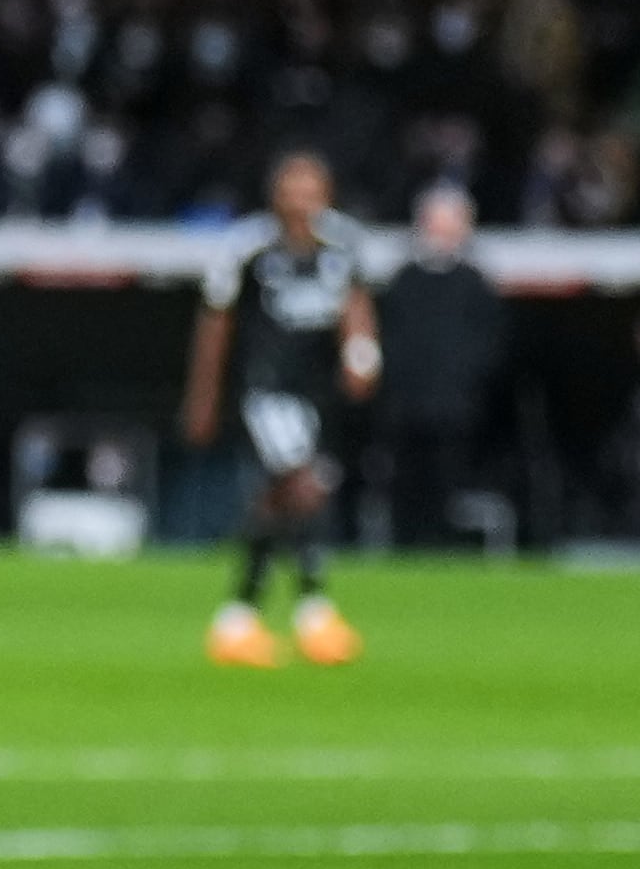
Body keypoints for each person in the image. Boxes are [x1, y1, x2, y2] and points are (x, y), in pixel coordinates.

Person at [183, 148, 377, 665]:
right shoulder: (249, 249)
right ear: (276, 194)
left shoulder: (342, 246)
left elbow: (356, 307)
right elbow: (216, 322)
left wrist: (362, 354)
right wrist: (203, 397)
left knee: (276, 504)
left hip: (318, 397)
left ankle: (238, 619)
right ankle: (315, 612)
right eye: (293, 187)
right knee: (303, 488)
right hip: (267, 392)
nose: (302, 198)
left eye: (311, 188)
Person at [376, 181, 506, 555]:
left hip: (457, 411)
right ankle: (406, 548)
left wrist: (466, 385)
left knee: (449, 486)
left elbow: (490, 345)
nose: (443, 232)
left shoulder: (475, 284)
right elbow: (390, 340)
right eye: (436, 223)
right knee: (406, 485)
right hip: (406, 409)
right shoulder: (404, 281)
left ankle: (445, 548)